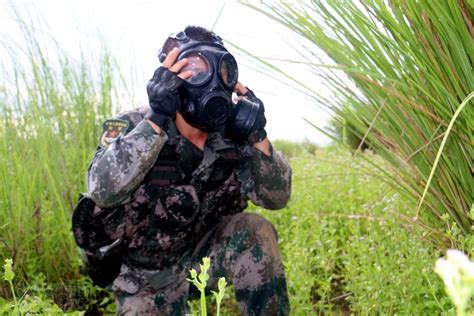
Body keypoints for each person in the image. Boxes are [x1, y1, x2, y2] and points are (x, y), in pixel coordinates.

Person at [72, 25, 292, 315]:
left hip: (201, 260)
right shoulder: (135, 123)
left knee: (254, 229)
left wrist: (257, 134)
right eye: (194, 70)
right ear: (172, 76)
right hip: (144, 280)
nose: (212, 81)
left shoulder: (233, 134)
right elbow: (102, 188)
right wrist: (156, 120)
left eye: (223, 71)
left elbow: (277, 197)